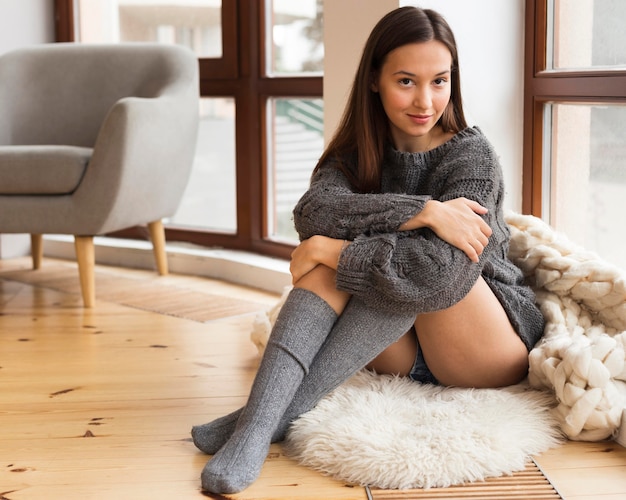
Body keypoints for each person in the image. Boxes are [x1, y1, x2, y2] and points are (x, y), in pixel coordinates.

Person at [191, 6, 545, 494]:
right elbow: (314, 213)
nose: (426, 100)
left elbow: (439, 278)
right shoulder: (355, 153)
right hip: (398, 347)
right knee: (355, 267)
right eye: (406, 81)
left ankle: (261, 420)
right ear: (375, 79)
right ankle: (259, 422)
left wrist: (330, 249)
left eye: (440, 80)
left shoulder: (472, 158)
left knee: (399, 267)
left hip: (483, 344)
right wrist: (424, 210)